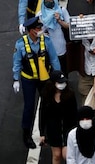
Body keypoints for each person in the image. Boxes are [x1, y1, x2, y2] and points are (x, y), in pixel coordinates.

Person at [12, 16, 61, 149]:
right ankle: (26, 134)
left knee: (47, 105)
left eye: (40, 27)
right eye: (37, 28)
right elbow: (16, 62)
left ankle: (45, 132)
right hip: (28, 79)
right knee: (29, 106)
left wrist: (58, 76)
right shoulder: (21, 44)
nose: (40, 30)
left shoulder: (46, 41)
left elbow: (54, 59)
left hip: (44, 79)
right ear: (30, 30)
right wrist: (16, 79)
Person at [39, 70, 77, 164]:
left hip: (67, 129)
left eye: (63, 82)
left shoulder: (70, 95)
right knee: (56, 155)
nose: (62, 84)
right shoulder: (46, 96)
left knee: (67, 155)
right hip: (53, 130)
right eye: (59, 82)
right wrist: (42, 133)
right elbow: (42, 114)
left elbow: (74, 114)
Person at [39, 0, 70, 74]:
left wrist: (59, 20)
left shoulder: (62, 10)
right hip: (47, 46)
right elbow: (38, 31)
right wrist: (46, 23)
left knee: (63, 68)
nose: (49, 2)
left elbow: (69, 26)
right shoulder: (40, 14)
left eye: (50, 0)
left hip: (61, 45)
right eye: (46, 0)